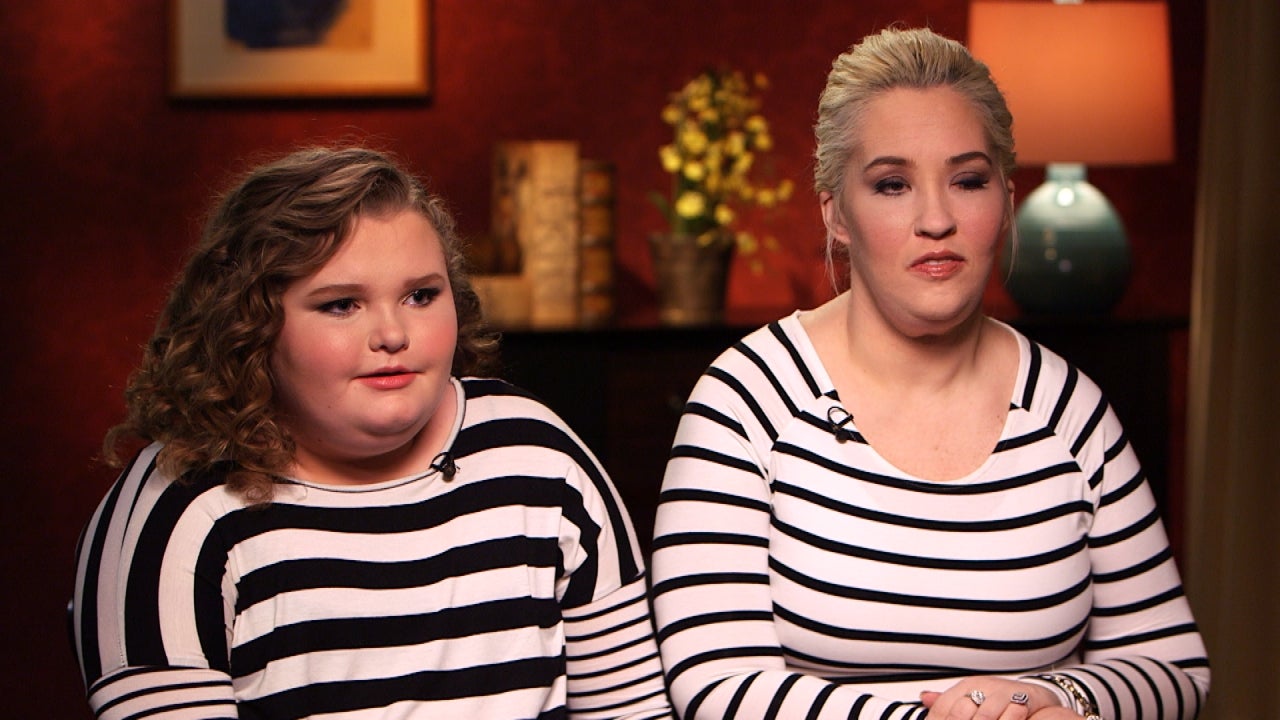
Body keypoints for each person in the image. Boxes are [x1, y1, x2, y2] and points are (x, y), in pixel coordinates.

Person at [649, 27, 1209, 720]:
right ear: (836, 213)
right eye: (893, 185)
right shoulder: (746, 398)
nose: (937, 219)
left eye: (968, 181)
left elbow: (1173, 666)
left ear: (1005, 200)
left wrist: (1052, 695)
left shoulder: (1070, 408)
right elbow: (713, 681)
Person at [70, 146, 673, 720]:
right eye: (341, 304)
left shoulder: (536, 455)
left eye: (420, 295)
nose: (392, 334)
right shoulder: (176, 513)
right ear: (247, 326)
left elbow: (632, 707)